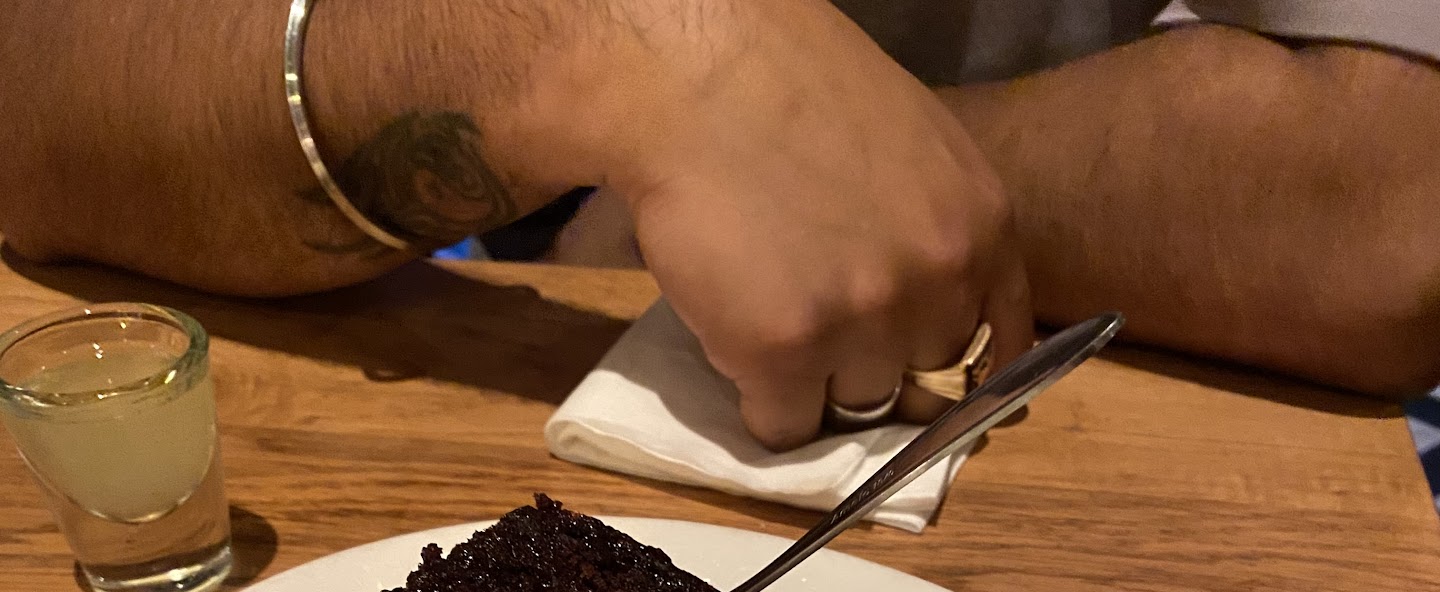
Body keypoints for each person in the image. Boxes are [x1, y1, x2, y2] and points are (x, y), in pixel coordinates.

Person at [0, 1, 1436, 450]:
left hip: (1082, 450)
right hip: (474, 389)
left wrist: (760, 145)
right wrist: (587, 51)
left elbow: (1388, 201)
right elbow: (40, 101)